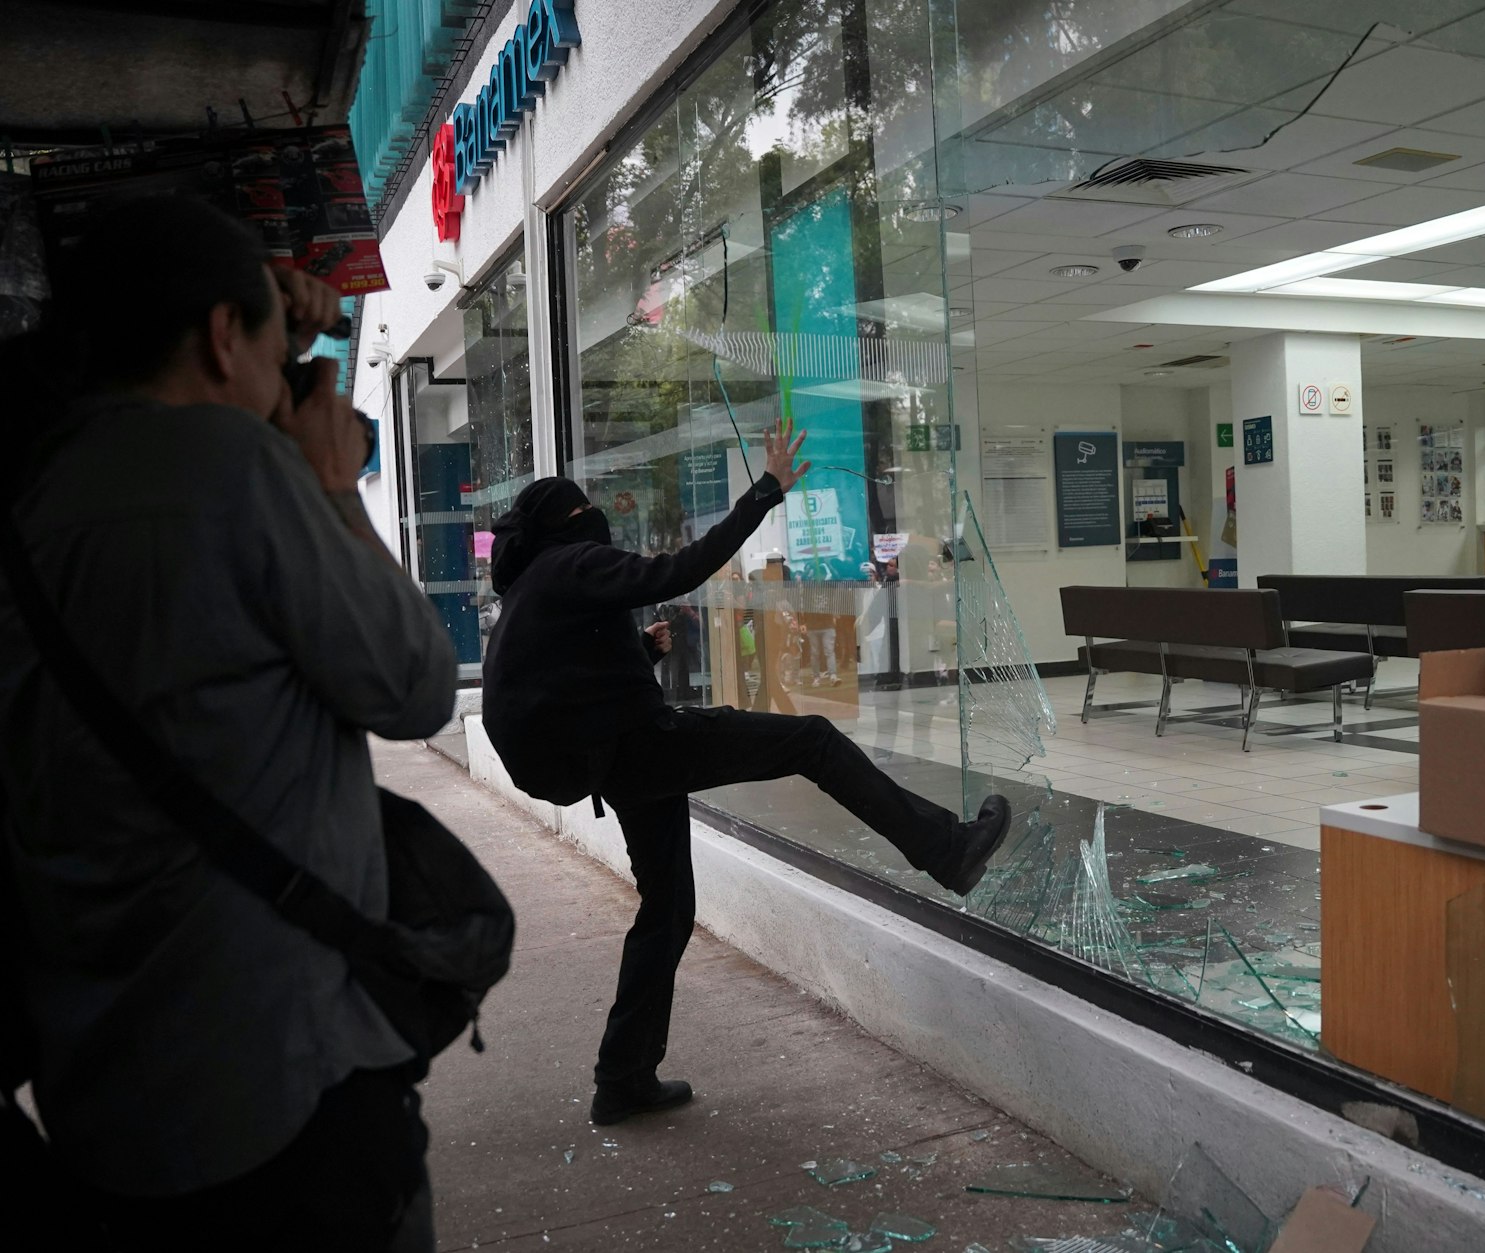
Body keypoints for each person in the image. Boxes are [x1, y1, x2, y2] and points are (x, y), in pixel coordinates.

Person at [0, 197, 459, 1249]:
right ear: (218, 337)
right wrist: (335, 486)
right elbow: (414, 683)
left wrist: (255, 306)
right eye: (265, 331)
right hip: (281, 1086)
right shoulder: (234, 469)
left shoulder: (32, 502)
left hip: (106, 1102)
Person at [480, 435, 1012, 1124]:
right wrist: (763, 492)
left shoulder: (535, 584)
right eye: (587, 513)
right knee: (812, 740)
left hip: (609, 758)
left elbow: (564, 670)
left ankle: (624, 1075)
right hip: (637, 748)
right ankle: (947, 849)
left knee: (666, 908)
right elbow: (676, 570)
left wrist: (640, 648)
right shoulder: (571, 562)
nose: (596, 523)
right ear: (573, 523)